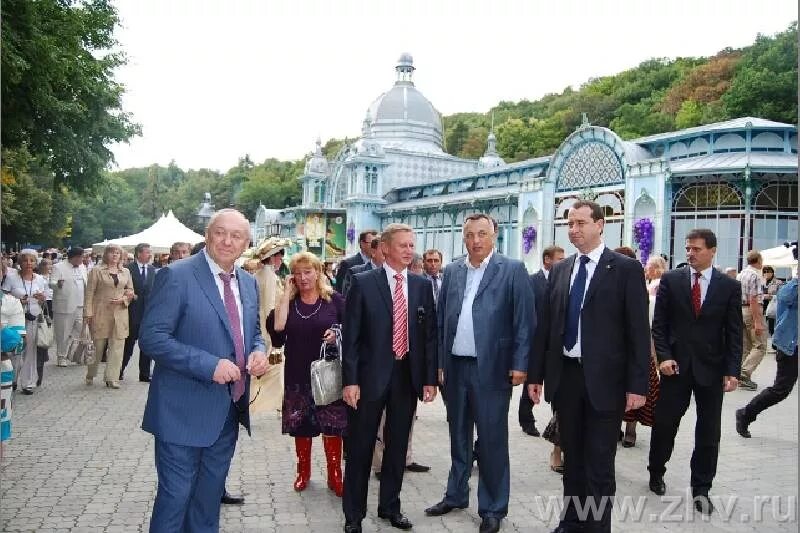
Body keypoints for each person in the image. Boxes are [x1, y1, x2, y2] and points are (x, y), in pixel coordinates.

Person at [139, 208, 269, 532]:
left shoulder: (249, 283)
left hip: (228, 412)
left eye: (236, 235)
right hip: (181, 412)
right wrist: (208, 364)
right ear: (207, 235)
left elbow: (253, 332)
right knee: (175, 499)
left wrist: (258, 352)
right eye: (220, 232)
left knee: (208, 502)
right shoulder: (176, 275)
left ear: (246, 243)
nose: (227, 241)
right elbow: (152, 338)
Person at [528, 201, 650, 533]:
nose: (573, 229)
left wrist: (637, 386)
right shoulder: (562, 269)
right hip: (566, 378)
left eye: (580, 222)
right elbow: (547, 328)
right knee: (573, 460)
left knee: (599, 464)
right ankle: (571, 523)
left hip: (606, 383)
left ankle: (597, 527)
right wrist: (536, 375)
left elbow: (638, 331)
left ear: (600, 225)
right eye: (570, 223)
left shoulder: (624, 269)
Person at [426, 213, 534, 533]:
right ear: (463, 237)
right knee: (458, 435)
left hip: (493, 369)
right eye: (470, 234)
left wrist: (521, 364)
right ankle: (456, 494)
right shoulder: (453, 270)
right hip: (456, 368)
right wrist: (440, 365)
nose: (476, 240)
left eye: (482, 234)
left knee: (491, 440)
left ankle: (492, 507)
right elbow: (442, 321)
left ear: (494, 235)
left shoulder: (512, 270)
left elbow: (524, 322)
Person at [342, 224, 437, 533]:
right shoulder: (362, 282)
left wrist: (428, 378)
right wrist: (350, 380)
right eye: (403, 245)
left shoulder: (421, 285)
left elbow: (429, 336)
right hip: (369, 378)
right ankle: (353, 515)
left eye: (412, 245)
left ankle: (390, 507)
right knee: (361, 447)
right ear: (384, 249)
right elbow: (352, 336)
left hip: (406, 376)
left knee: (397, 447)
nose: (410, 250)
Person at [647, 229, 742, 515]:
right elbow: (659, 325)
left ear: (712, 251)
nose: (690, 253)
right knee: (665, 424)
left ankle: (701, 489)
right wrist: (663, 357)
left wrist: (732, 370)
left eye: (696, 249)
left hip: (712, 370)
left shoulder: (728, 286)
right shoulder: (671, 281)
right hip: (675, 368)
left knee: (709, 432)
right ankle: (656, 471)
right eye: (687, 248)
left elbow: (735, 332)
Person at [267, 251, 347, 496]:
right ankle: (303, 472)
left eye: (307, 272)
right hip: (298, 375)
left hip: (329, 376)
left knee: (332, 425)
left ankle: (335, 474)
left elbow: (354, 328)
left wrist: (337, 333)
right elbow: (277, 332)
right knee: (301, 425)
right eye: (297, 273)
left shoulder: (334, 300)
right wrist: (285, 296)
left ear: (318, 272)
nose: (302, 278)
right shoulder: (289, 304)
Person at [737, 267, 797, 438]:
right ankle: (745, 414)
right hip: (791, 346)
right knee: (781, 390)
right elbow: (785, 297)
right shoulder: (791, 288)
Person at [620, 254, 667, 448]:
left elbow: (651, 323)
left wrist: (654, 351)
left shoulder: (651, 288)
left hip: (639, 347)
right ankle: (617, 427)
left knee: (638, 387)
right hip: (614, 350)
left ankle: (630, 429)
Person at [520, 246, 564, 440]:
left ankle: (558, 421)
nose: (563, 262)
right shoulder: (532, 281)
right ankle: (526, 420)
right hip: (535, 341)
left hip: (556, 342)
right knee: (531, 381)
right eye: (559, 258)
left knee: (557, 384)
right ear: (547, 259)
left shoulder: (564, 280)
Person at [84, 244, 134, 389]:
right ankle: (91, 373)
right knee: (98, 346)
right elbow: (89, 294)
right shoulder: (96, 271)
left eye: (118, 253)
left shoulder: (125, 271)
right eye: (112, 252)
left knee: (118, 346)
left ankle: (112, 378)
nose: (115, 255)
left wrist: (124, 299)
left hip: (120, 313)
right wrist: (88, 313)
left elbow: (130, 290)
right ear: (106, 255)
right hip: (100, 312)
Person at [16, 249, 49, 395]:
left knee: (30, 351)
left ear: (36, 263)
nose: (29, 263)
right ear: (20, 263)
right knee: (14, 351)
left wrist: (41, 298)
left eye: (32, 260)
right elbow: (4, 296)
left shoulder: (40, 279)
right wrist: (19, 300)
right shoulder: (12, 277)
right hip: (15, 318)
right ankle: (12, 380)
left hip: (33, 318)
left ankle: (27, 382)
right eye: (25, 260)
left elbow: (45, 299)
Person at [121, 243, 156, 382]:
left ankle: (144, 374)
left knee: (146, 345)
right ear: (139, 254)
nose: (150, 255)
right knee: (128, 344)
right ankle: (119, 370)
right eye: (147, 252)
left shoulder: (153, 270)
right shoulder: (128, 269)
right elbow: (121, 287)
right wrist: (129, 294)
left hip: (148, 314)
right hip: (132, 313)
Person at [50, 248, 88, 367]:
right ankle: (61, 356)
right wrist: (57, 284)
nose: (83, 259)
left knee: (84, 332)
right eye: (81, 257)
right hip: (64, 306)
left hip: (81, 305)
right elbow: (51, 283)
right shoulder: (59, 267)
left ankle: (78, 355)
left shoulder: (82, 267)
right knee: (63, 333)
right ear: (75, 257)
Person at [737, 251, 767, 391]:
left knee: (745, 345)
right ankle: (744, 373)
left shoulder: (741, 274)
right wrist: (758, 321)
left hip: (741, 310)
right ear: (758, 260)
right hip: (751, 310)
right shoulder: (755, 275)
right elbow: (753, 299)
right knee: (760, 345)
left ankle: (737, 374)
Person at [335, 229, 377, 293]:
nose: (375, 247)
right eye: (373, 243)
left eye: (377, 244)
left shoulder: (380, 264)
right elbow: (340, 290)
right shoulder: (348, 264)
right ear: (362, 244)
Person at [761, 265, 784, 343]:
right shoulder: (760, 282)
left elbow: (781, 294)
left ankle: (775, 343)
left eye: (769, 271)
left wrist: (772, 296)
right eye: (765, 272)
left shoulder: (778, 282)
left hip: (772, 307)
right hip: (762, 306)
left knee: (772, 327)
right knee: (762, 327)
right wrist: (763, 296)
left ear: (772, 272)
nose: (767, 273)